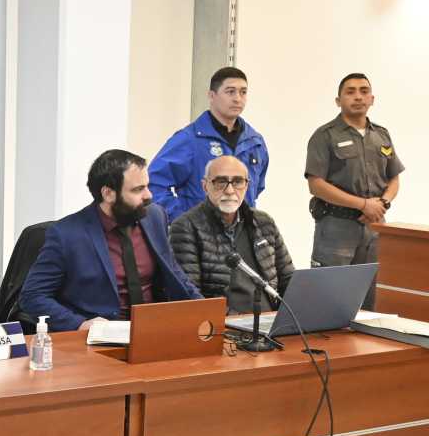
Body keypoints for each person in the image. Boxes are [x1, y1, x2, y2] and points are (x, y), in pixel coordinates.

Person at [19, 149, 203, 331]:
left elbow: (174, 272)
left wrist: (207, 311)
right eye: (138, 189)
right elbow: (33, 296)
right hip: (99, 337)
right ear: (108, 193)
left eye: (147, 186)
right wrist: (79, 324)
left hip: (154, 328)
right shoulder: (66, 234)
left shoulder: (154, 216)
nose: (149, 195)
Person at [305, 73, 404, 309]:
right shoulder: (325, 136)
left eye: (364, 91)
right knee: (329, 299)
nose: (358, 97)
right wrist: (363, 205)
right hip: (336, 227)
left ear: (372, 99)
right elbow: (316, 185)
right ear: (338, 101)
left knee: (370, 299)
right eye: (350, 92)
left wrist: (383, 203)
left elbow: (394, 178)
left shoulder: (381, 135)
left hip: (374, 227)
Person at [168, 156, 294, 314]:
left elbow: (289, 279)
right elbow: (190, 296)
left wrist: (287, 316)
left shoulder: (264, 222)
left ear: (246, 186)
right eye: (221, 182)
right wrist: (236, 320)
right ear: (205, 186)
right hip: (223, 323)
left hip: (271, 319)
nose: (229, 190)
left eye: (237, 182)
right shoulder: (186, 226)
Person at [149, 67, 269, 221]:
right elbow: (154, 183)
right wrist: (184, 218)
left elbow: (256, 188)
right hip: (201, 232)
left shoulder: (255, 142)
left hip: (242, 230)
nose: (237, 98)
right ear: (212, 96)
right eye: (230, 92)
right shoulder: (190, 140)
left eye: (243, 92)